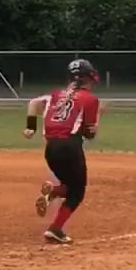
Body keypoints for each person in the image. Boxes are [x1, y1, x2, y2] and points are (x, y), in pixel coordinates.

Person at [23, 58, 102, 245]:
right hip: (70, 147)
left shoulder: (55, 95)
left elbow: (33, 103)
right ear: (88, 78)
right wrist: (96, 125)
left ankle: (53, 192)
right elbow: (89, 134)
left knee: (71, 186)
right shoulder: (90, 99)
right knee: (77, 192)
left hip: (51, 149)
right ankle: (55, 229)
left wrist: (31, 127)